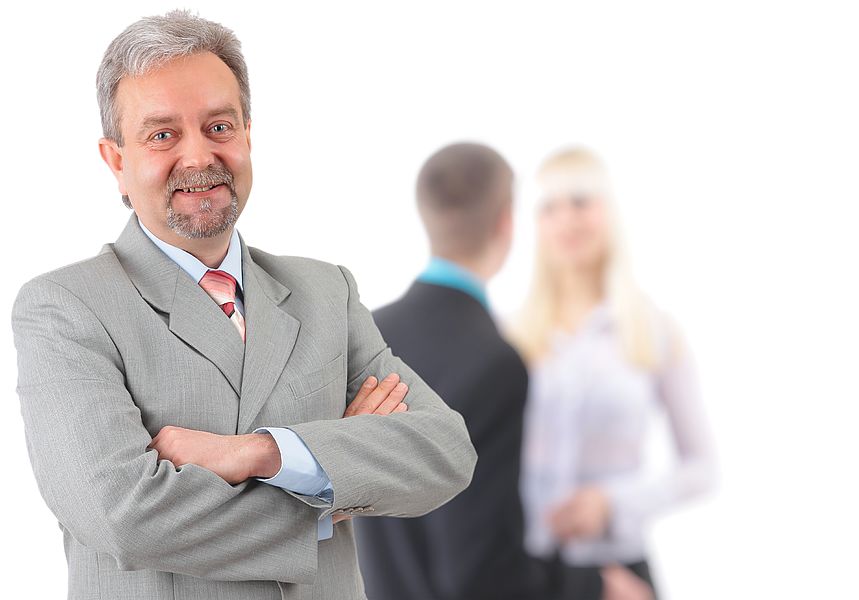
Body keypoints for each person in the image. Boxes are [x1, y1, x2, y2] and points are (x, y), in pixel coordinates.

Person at [10, 11, 475, 600]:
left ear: (248, 136)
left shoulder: (327, 292)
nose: (199, 156)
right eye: (162, 135)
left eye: (219, 126)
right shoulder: (66, 308)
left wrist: (259, 453)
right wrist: (329, 485)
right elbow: (125, 516)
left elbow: (445, 451)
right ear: (116, 162)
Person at [354, 142, 643, 600]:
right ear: (508, 222)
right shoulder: (496, 362)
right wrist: (593, 587)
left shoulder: (368, 331)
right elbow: (481, 571)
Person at [509, 147, 716, 600]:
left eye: (580, 201)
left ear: (608, 211)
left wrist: (613, 504)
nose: (566, 219)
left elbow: (702, 467)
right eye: (549, 208)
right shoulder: (513, 336)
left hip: (617, 571)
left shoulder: (654, 330)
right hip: (525, 569)